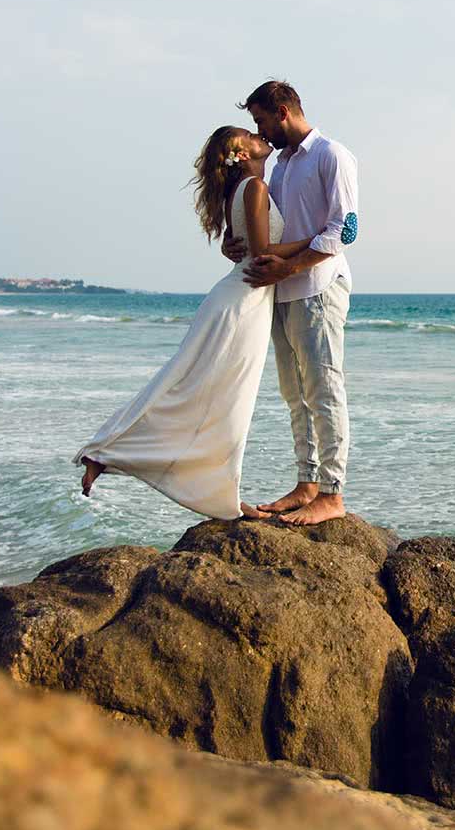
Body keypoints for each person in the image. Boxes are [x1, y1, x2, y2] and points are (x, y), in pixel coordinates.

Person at [74, 126, 296, 520]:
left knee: (200, 391)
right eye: (251, 135)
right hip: (243, 303)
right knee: (223, 400)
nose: (261, 137)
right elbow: (261, 254)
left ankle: (113, 455)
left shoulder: (240, 191)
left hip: (238, 299)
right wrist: (319, 242)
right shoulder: (255, 189)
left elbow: (238, 248)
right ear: (240, 153)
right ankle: (114, 454)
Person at [224, 80, 359, 526]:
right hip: (280, 293)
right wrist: (241, 241)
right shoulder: (279, 165)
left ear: (282, 111)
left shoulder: (332, 155)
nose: (259, 130)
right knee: (293, 394)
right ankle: (306, 483)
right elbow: (274, 230)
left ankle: (333, 493)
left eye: (261, 120)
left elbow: (347, 230)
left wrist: (289, 267)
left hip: (318, 287)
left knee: (324, 389)